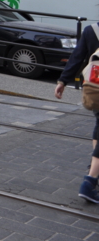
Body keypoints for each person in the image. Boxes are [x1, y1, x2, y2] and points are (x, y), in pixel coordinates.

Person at [55, 22, 99, 203]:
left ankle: (94, 167)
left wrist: (62, 81)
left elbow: (77, 57)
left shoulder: (91, 30)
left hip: (95, 89)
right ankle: (90, 182)